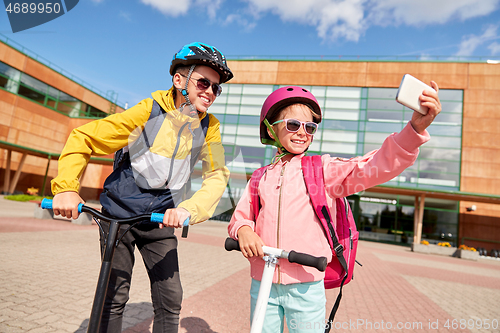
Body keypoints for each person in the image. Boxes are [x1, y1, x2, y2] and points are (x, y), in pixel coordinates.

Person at [228, 84, 441, 333]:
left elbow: (372, 166)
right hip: (263, 279)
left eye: (310, 127)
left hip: (306, 283)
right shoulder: (259, 177)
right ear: (270, 128)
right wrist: (244, 231)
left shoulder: (323, 170)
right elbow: (241, 217)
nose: (302, 132)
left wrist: (414, 129)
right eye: (293, 125)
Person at [50, 42, 233, 332]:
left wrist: (188, 209)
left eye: (216, 88)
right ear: (178, 81)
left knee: (171, 299)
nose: (210, 92)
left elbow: (217, 175)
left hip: (159, 220)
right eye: (203, 83)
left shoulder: (208, 127)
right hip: (119, 216)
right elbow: (83, 137)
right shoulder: (148, 112)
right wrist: (66, 188)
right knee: (114, 295)